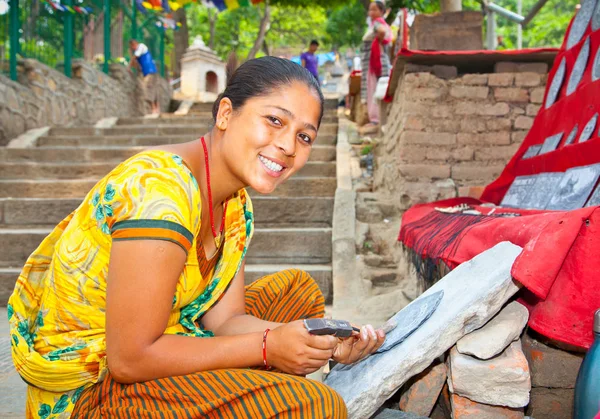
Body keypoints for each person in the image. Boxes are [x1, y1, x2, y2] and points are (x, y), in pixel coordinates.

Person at [8, 56, 386, 418]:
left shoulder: (235, 206)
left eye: (304, 136)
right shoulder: (159, 193)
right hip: (95, 391)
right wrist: (269, 347)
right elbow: (129, 359)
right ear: (225, 114)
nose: (288, 146)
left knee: (298, 294)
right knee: (316, 405)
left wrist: (329, 344)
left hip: (167, 342)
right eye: (274, 120)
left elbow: (225, 322)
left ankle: (255, 393)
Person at [360, 1, 392, 131]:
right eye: (370, 10)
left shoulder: (378, 23)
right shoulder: (377, 23)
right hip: (377, 62)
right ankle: (378, 119)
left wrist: (377, 41)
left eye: (374, 10)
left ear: (381, 12)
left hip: (375, 63)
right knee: (378, 88)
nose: (371, 13)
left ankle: (375, 120)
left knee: (374, 89)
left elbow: (382, 32)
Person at [129, 39, 160, 115]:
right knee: (152, 89)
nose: (133, 48)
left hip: (150, 71)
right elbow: (135, 64)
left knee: (148, 89)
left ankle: (154, 109)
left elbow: (135, 57)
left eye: (132, 47)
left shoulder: (141, 46)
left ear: (134, 44)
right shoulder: (139, 53)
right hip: (148, 72)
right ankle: (155, 109)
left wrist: (128, 66)